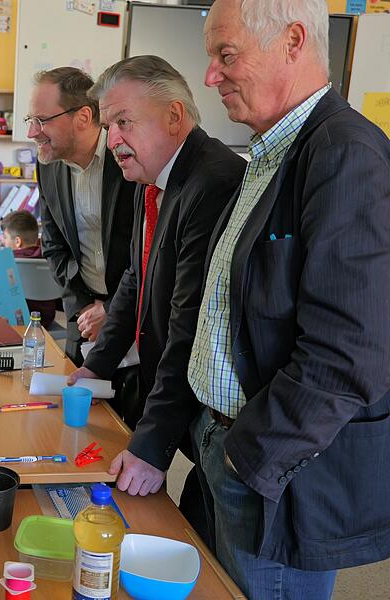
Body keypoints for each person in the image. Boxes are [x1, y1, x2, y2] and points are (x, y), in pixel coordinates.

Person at [186, 1, 390, 597]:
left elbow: (350, 351)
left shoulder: (344, 153)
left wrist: (249, 459)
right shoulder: (267, 150)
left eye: (227, 56)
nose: (211, 76)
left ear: (293, 41)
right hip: (225, 443)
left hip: (270, 470)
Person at [65, 56, 245, 547]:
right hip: (180, 397)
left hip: (216, 410)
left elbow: (189, 326)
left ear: (173, 116)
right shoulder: (154, 182)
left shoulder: (213, 182)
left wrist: (152, 443)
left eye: (124, 122)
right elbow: (134, 282)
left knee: (204, 543)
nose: (114, 139)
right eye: (108, 127)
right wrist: (94, 368)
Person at [26, 67, 138, 367]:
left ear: (84, 117)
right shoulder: (48, 166)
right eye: (30, 120)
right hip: (84, 324)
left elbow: (150, 251)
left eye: (41, 121)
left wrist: (114, 310)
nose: (31, 132)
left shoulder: (131, 159)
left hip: (137, 323)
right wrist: (84, 308)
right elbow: (53, 244)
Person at [0, 210, 57, 329]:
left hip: (15, 321)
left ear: (17, 241)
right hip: (46, 319)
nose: (3, 241)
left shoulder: (8, 261)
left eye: (5, 237)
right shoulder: (52, 258)